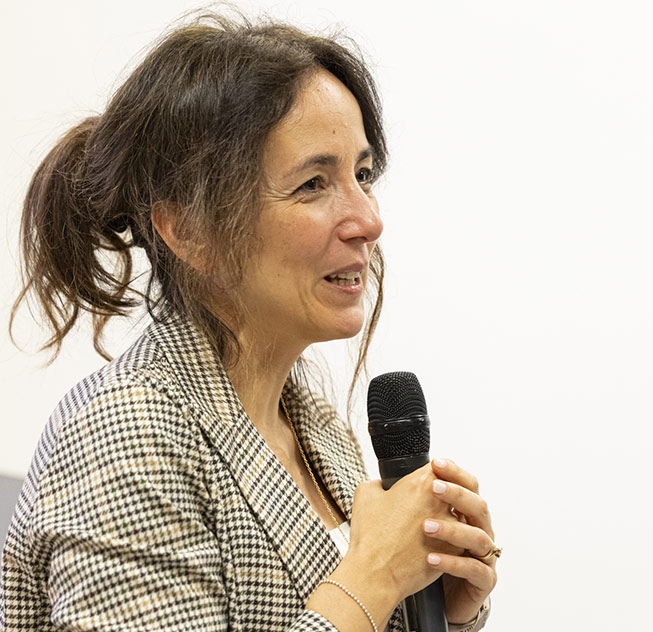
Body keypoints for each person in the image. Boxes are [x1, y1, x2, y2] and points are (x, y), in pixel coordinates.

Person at [1, 12, 498, 632]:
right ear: (190, 231)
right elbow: (356, 594)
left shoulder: (316, 425)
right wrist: (374, 577)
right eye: (313, 183)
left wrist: (441, 611)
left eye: (363, 175)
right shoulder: (124, 437)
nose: (369, 220)